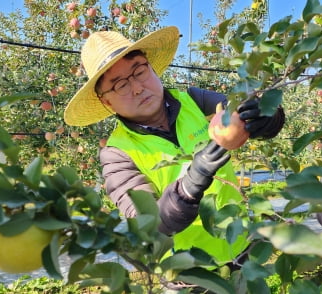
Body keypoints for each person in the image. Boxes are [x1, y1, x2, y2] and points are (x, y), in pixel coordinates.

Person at [63, 26, 285, 268]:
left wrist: (266, 115)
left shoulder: (195, 101)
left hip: (241, 250)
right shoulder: (116, 154)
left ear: (151, 67)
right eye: (120, 85)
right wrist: (190, 185)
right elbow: (147, 226)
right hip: (188, 274)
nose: (137, 87)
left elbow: (242, 112)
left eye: (139, 71)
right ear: (107, 101)